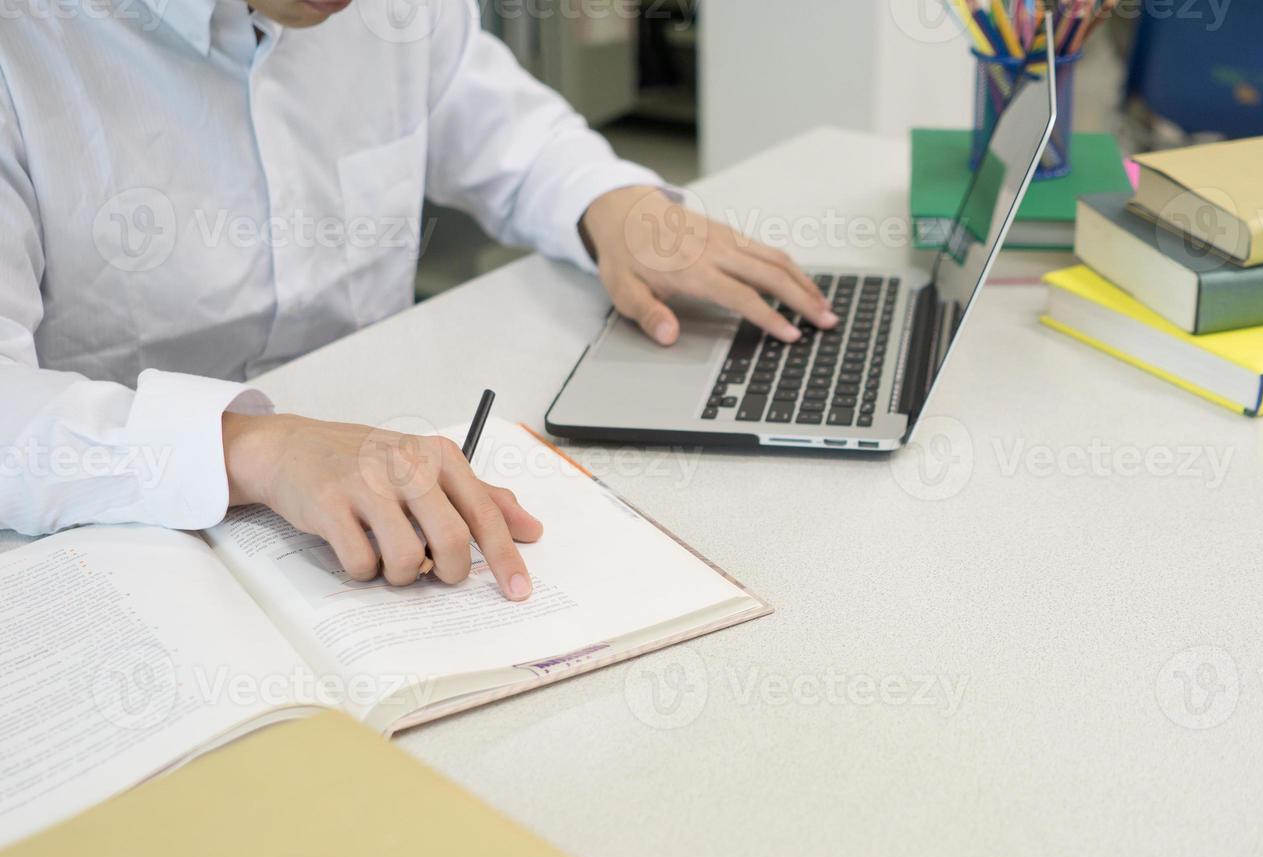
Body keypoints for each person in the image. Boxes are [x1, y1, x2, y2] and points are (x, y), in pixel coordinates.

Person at [0, 0, 836, 600]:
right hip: (112, 540)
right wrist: (249, 445)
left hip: (387, 489)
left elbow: (514, 135)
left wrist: (611, 206)